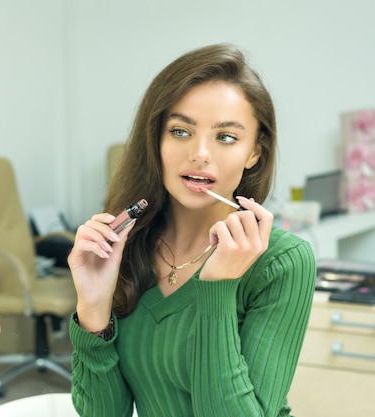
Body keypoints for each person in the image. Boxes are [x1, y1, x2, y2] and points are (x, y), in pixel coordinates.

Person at [68, 43, 315, 417]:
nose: (199, 153)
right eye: (180, 131)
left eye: (226, 137)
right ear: (156, 140)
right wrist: (93, 309)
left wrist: (217, 290)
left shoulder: (282, 263)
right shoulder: (125, 246)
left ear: (255, 153)